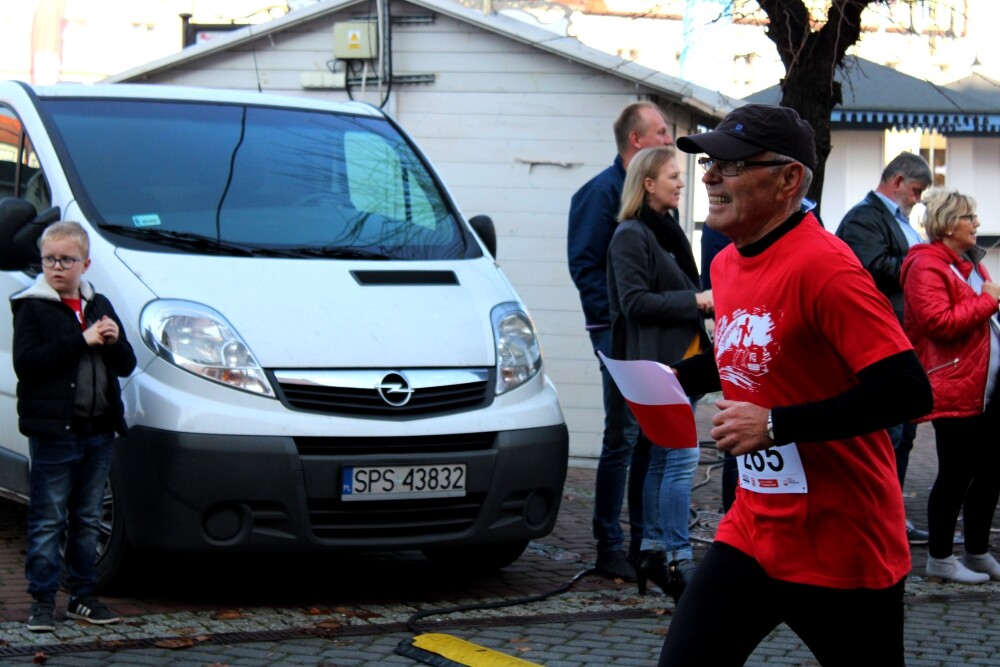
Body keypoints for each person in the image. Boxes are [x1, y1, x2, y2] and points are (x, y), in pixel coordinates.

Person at [657, 104, 933, 666]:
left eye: (730, 164)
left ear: (787, 180)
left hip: (842, 542)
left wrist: (776, 424)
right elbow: (755, 345)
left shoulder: (827, 268)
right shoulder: (729, 264)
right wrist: (676, 379)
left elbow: (908, 390)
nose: (709, 176)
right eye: (710, 162)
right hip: (753, 531)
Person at [11, 221, 137, 632]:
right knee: (48, 519)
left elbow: (126, 365)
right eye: (50, 259)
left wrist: (114, 340)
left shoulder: (98, 304)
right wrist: (82, 340)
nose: (57, 268)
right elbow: (27, 365)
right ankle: (42, 602)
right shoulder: (32, 307)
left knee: (86, 519)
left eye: (66, 260)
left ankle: (83, 596)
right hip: (54, 433)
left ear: (85, 262)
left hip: (98, 431)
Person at [568, 101, 674, 581]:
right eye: (662, 131)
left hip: (648, 338)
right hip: (617, 335)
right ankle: (609, 544)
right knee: (623, 437)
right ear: (636, 140)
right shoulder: (601, 194)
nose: (670, 139)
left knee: (648, 437)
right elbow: (586, 265)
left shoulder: (654, 205)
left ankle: (640, 543)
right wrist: (611, 327)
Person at [607, 146, 712, 602]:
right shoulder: (631, 235)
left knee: (662, 458)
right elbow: (634, 303)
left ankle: (653, 549)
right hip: (656, 364)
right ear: (648, 183)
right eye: (673, 175)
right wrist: (698, 301)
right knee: (680, 459)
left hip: (678, 361)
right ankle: (677, 557)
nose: (682, 182)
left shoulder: (665, 231)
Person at [899, 189, 1000, 585]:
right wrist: (989, 302)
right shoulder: (925, 265)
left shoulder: (968, 263)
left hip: (987, 387)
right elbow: (938, 323)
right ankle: (940, 557)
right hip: (956, 385)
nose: (976, 224)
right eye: (969, 218)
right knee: (956, 473)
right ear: (945, 224)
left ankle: (977, 552)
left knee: (990, 472)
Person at [836, 151, 933, 546]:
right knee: (886, 434)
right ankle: (870, 520)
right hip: (880, 341)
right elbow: (871, 267)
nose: (917, 199)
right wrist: (923, 264)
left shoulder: (899, 222)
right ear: (896, 183)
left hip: (903, 339)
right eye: (915, 190)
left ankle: (889, 516)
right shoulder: (864, 218)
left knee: (903, 433)